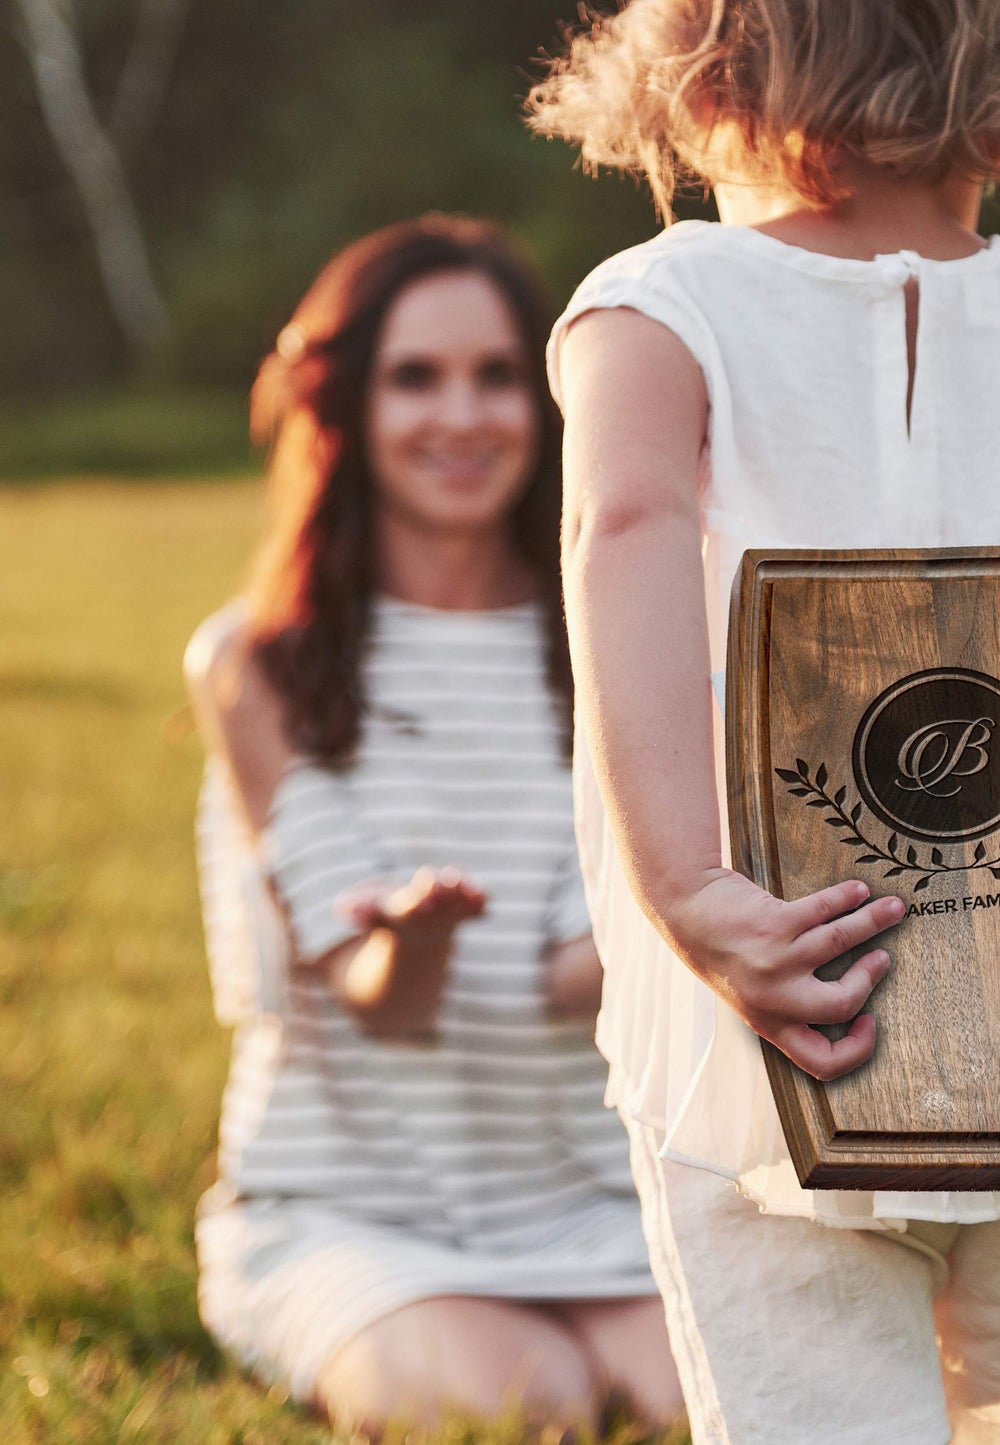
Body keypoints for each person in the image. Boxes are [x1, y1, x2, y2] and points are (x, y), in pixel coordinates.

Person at [528, 3, 1000, 1442]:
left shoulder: (659, 306)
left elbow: (621, 530)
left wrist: (693, 887)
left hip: (781, 1002)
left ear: (702, 79)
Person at [184, 214, 683, 1437]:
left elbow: (581, 980)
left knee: (705, 1402)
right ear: (347, 404)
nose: (460, 417)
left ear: (548, 400)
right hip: (352, 1207)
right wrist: (413, 935)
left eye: (496, 376)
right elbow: (381, 998)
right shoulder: (257, 665)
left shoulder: (614, 642)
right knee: (529, 1405)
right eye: (416, 377)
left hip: (593, 1199)